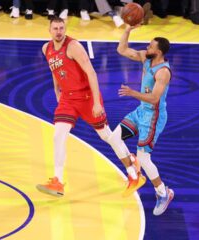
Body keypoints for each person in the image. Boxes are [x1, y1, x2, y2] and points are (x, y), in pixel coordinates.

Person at [36, 17, 135, 197]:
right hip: (68, 99)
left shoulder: (73, 47)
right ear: (49, 30)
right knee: (58, 135)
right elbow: (54, 70)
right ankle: (57, 181)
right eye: (55, 28)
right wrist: (57, 89)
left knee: (106, 135)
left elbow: (91, 72)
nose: (58, 31)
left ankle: (132, 168)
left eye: (61, 28)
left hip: (86, 97)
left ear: (65, 29)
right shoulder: (46, 48)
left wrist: (97, 102)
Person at [113, 24, 174, 216]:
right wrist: (127, 30)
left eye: (150, 46)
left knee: (144, 158)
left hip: (154, 116)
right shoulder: (145, 59)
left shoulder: (163, 72)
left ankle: (163, 192)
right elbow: (122, 49)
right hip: (141, 111)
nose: (147, 47)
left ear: (159, 51)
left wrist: (132, 93)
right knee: (114, 138)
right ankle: (133, 170)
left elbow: (155, 98)